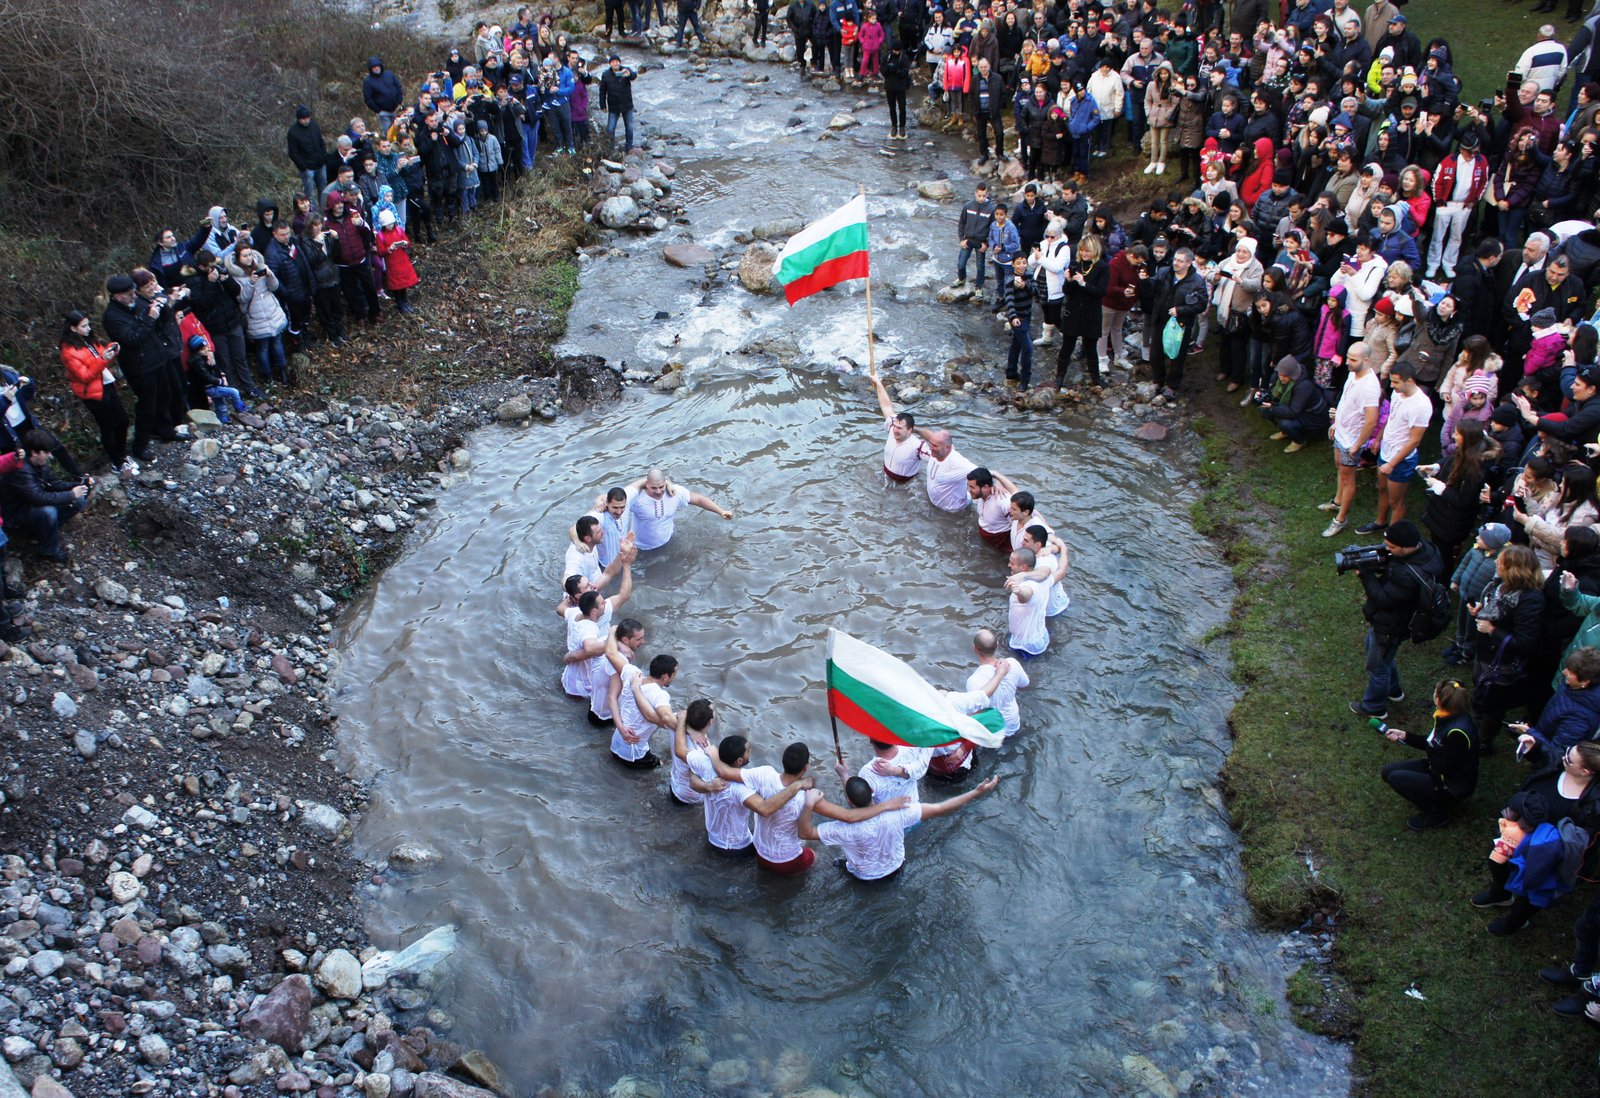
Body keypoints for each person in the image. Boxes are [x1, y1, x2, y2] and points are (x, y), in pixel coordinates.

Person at [1471, 741, 1600, 936]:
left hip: (1546, 855)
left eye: (1569, 759)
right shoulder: (1558, 766)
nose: (1564, 757)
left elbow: (1582, 841)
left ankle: (1516, 921)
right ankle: (1501, 893)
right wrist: (1534, 747)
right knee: (1497, 862)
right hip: (1518, 835)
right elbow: (1547, 754)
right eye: (1567, 752)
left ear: (1584, 771)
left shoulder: (1594, 804)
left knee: (1532, 891)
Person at [798, 774, 999, 881]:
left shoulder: (841, 828)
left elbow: (805, 832)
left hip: (863, 876)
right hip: (895, 869)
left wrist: (808, 805)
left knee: (836, 864)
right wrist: (975, 792)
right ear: (872, 793)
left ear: (848, 800)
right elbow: (941, 807)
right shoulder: (897, 813)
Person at [1349, 519, 1444, 720]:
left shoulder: (1406, 576)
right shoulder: (1426, 551)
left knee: (1377, 667)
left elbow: (1382, 599)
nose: (1386, 549)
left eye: (1391, 547)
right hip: (1397, 623)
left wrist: (1365, 575)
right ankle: (1394, 690)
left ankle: (1374, 707)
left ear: (1406, 547)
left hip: (1391, 625)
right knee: (1381, 655)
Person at [1379, 677, 1480, 830]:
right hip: (1437, 768)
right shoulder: (1447, 715)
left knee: (1396, 778)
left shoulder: (1457, 732)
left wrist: (1431, 756)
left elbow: (1445, 764)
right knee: (1387, 772)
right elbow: (1433, 742)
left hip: (1450, 784)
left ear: (1439, 699)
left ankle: (1436, 813)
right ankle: (1431, 798)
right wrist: (1404, 735)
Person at [99, 274, 181, 462]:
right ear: (117, 296)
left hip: (157, 357)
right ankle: (140, 445)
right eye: (129, 294)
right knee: (147, 406)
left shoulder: (139, 303)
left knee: (165, 396)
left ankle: (165, 430)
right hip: (140, 366)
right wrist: (149, 318)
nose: (134, 296)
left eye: (133, 292)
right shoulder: (112, 317)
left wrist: (162, 304)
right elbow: (133, 339)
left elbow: (160, 322)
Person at [58, 311, 134, 477]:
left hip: (107, 384)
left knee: (123, 420)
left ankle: (121, 455)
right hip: (92, 393)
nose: (88, 328)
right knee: (108, 426)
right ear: (73, 328)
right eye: (84, 326)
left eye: (88, 324)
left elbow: (102, 356)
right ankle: (117, 462)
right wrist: (103, 359)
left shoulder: (89, 340)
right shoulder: (68, 352)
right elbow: (85, 375)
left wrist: (112, 350)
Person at [1361, 362, 1431, 535]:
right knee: (1382, 489)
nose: (1392, 386)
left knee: (1396, 501)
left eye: (1396, 382)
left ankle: (1392, 537)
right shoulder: (1398, 394)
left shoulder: (1421, 405)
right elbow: (1392, 418)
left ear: (1410, 381)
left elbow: (1415, 441)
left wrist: (1392, 463)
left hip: (1401, 460)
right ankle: (1380, 522)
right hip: (1386, 452)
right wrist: (1378, 439)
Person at [0, 430, 90, 565]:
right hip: (16, 515)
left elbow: (54, 484)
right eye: (46, 452)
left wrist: (79, 485)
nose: (50, 456)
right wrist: (71, 494)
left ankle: (45, 531)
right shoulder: (20, 471)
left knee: (78, 500)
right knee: (48, 511)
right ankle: (48, 550)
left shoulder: (40, 463)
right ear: (35, 452)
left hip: (32, 507)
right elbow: (39, 497)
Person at [1322, 341, 1381, 538]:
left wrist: (1357, 445)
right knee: (1339, 467)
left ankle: (1340, 519)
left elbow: (1372, 421)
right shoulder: (1352, 375)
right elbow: (1345, 401)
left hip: (1351, 440)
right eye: (1348, 357)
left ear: (1366, 360)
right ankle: (1337, 501)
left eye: (1353, 360)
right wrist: (1336, 422)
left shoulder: (1370, 386)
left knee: (1348, 477)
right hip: (1341, 433)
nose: (1348, 362)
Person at [604, 628, 676, 768]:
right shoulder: (660, 694)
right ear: (665, 676)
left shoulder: (633, 673)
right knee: (661, 766)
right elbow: (666, 718)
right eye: (674, 674)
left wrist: (613, 631)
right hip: (634, 755)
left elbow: (610, 652)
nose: (675, 677)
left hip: (616, 744)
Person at [619, 469, 733, 550]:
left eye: (661, 487)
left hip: (668, 540)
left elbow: (698, 499)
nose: (658, 491)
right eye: (653, 488)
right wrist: (600, 501)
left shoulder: (674, 492)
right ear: (646, 485)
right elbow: (615, 500)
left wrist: (721, 511)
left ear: (665, 483)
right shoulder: (637, 498)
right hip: (641, 548)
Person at [1148, 247, 1208, 398]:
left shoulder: (1197, 281)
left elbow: (1201, 304)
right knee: (1155, 354)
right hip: (1160, 320)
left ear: (1189, 263)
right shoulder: (1163, 272)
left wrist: (1181, 310)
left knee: (1176, 357)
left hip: (1180, 325)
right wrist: (1144, 281)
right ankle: (1158, 380)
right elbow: (1152, 289)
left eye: (1180, 261)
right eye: (1175, 260)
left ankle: (1172, 385)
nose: (1175, 263)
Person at [1004, 546, 1068, 657]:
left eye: (1012, 563)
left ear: (1023, 567)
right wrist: (1064, 550)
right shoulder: (1044, 581)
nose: (1009, 565)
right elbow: (1062, 571)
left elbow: (1026, 595)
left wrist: (1019, 591)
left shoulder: (1027, 586)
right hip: (1041, 637)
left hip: (1025, 646)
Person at [969, 628, 1028, 736]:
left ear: (974, 649)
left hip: (993, 733)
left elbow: (976, 713)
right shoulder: (1012, 664)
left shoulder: (974, 681)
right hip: (1014, 724)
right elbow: (1025, 684)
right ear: (997, 644)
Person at [912, 427, 978, 512]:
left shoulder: (958, 462)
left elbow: (984, 474)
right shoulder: (937, 448)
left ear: (947, 447)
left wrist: (998, 481)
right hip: (933, 503)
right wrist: (914, 429)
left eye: (935, 446)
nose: (931, 448)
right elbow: (929, 435)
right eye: (931, 444)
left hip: (954, 512)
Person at [871, 375, 921, 482]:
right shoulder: (892, 427)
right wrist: (878, 384)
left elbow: (939, 458)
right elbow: (886, 406)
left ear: (910, 430)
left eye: (899, 428)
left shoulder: (917, 446)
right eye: (895, 426)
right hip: (885, 475)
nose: (895, 430)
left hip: (906, 484)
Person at [953, 184, 995, 291]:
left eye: (984, 196)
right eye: (979, 195)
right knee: (961, 263)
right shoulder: (968, 206)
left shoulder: (991, 209)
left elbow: (993, 229)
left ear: (987, 194)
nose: (981, 198)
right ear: (975, 193)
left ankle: (978, 287)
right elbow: (962, 223)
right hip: (968, 240)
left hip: (981, 242)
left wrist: (987, 244)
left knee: (980, 266)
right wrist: (961, 239)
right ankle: (961, 279)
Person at [965, 467, 1018, 550]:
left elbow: (1019, 525)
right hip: (987, 540)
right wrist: (997, 481)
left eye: (972, 487)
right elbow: (988, 473)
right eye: (968, 486)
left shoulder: (1003, 501)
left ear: (985, 487)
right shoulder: (979, 495)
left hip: (1002, 545)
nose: (969, 490)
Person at [598, 55, 638, 152]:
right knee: (610, 128)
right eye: (613, 62)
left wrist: (629, 74)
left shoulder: (625, 70)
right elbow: (602, 91)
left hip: (627, 105)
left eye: (617, 61)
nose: (615, 63)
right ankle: (610, 148)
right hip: (613, 105)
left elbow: (634, 76)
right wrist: (602, 105)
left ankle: (629, 146)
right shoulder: (606, 75)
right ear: (610, 64)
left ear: (620, 62)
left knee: (629, 127)